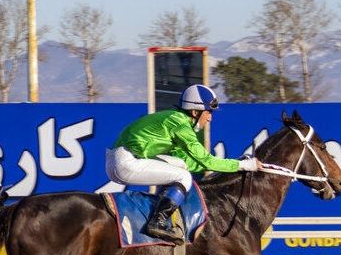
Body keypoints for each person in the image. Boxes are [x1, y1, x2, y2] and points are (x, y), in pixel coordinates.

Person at [105, 84, 262, 244]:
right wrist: (244, 165)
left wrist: (236, 164)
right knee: (184, 177)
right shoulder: (180, 125)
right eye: (208, 112)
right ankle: (157, 222)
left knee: (180, 165)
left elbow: (190, 163)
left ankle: (163, 209)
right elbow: (208, 161)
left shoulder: (175, 119)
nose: (210, 118)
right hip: (125, 162)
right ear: (195, 112)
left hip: (123, 158)